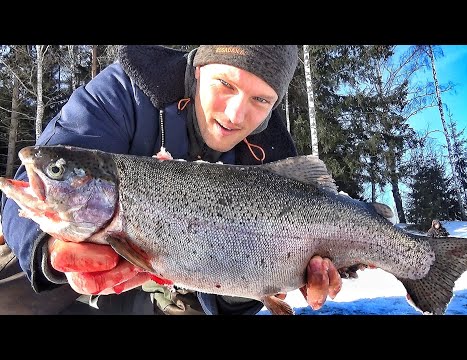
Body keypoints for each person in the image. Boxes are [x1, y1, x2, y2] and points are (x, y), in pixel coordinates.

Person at [1, 45, 350, 315]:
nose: (236, 114)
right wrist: (48, 252)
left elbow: (235, 305)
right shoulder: (126, 89)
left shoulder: (274, 154)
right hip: (99, 245)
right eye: (226, 84)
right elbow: (31, 189)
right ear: (199, 68)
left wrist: (263, 281)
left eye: (261, 100)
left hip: (191, 284)